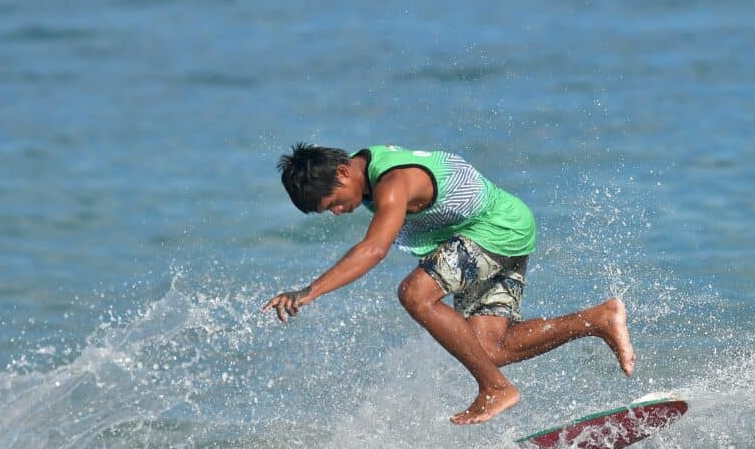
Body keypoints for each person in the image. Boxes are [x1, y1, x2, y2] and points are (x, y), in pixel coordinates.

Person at [263, 143, 635, 425]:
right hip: (507, 229)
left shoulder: (391, 182)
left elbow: (374, 248)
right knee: (489, 349)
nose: (338, 212)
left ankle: (495, 388)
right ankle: (598, 319)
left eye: (333, 203)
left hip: (494, 230)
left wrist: (310, 291)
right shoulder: (370, 172)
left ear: (344, 172)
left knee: (414, 294)